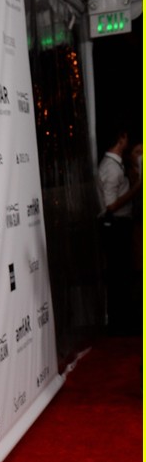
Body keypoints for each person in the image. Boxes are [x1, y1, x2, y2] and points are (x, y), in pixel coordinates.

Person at [98, 130, 141, 334]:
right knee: (118, 275)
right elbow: (110, 206)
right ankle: (118, 324)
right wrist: (135, 191)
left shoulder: (116, 165)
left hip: (120, 225)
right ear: (121, 138)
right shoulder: (111, 168)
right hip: (114, 227)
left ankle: (122, 321)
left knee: (122, 275)